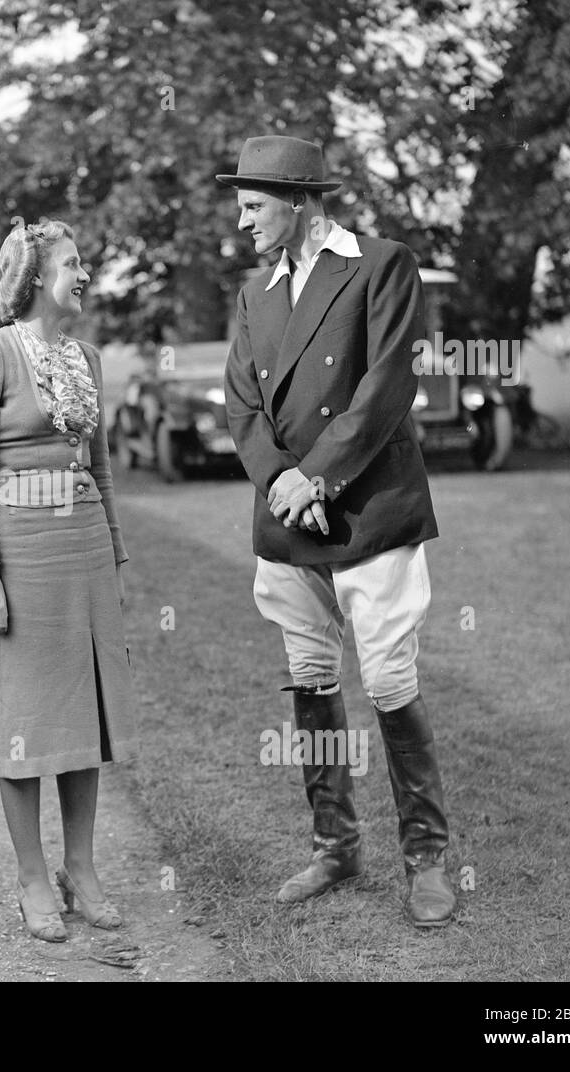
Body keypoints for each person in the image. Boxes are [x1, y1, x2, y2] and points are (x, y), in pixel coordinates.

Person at [217, 136, 457, 927]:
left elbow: (388, 384)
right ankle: (335, 844)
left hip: (368, 505)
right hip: (289, 518)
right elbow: (243, 407)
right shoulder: (256, 296)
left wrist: (316, 476)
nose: (243, 222)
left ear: (300, 202)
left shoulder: (383, 262)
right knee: (312, 679)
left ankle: (426, 858)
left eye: (254, 207)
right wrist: (285, 483)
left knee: (388, 682)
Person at [0, 219, 139, 942]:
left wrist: (115, 556)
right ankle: (32, 879)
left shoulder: (87, 356)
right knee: (27, 718)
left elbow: (102, 468)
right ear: (32, 278)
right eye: (72, 263)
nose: (86, 274)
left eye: (86, 261)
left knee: (83, 715)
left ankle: (81, 870)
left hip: (85, 550)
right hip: (22, 554)